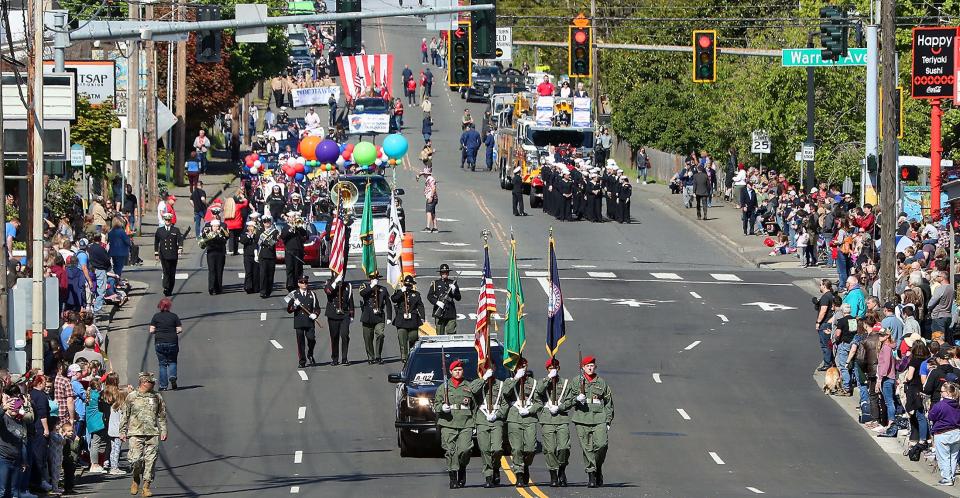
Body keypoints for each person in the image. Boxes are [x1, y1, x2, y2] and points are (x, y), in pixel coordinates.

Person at [433, 360, 491, 489]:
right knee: (450, 451)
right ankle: (453, 478)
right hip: (448, 423)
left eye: (460, 370)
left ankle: (462, 467)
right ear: (450, 372)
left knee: (465, 450)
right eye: (455, 370)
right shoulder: (443, 387)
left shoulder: (468, 386)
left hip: (466, 423)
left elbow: (474, 407)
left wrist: (475, 423)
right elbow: (435, 405)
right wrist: (442, 407)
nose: (458, 372)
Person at [119, 372, 168, 497]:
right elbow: (125, 415)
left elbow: (162, 415)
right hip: (135, 433)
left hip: (152, 433)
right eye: (151, 382)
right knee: (135, 460)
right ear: (143, 382)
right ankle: (136, 479)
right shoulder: (132, 397)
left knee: (150, 461)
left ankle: (146, 486)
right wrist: (122, 431)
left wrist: (164, 430)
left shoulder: (157, 396)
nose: (153, 384)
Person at [573, 355, 614, 488]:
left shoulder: (601, 382)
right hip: (582, 418)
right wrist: (576, 399)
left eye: (592, 366)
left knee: (602, 445)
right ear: (583, 367)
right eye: (587, 366)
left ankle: (598, 467)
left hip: (598, 418)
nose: (590, 368)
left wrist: (608, 420)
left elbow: (608, 402)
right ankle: (591, 474)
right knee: (587, 448)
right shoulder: (576, 381)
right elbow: (568, 399)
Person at [537, 358, 574, 487]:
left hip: (561, 418)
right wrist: (548, 378)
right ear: (547, 370)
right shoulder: (543, 382)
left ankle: (562, 470)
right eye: (550, 368)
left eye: (555, 368)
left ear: (559, 368)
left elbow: (570, 400)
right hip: (547, 419)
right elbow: (538, 391)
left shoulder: (565, 383)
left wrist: (560, 407)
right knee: (550, 449)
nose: (553, 370)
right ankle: (553, 474)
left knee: (564, 447)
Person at [503, 358, 540, 487]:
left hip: (529, 418)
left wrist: (531, 410)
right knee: (517, 448)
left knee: (530, 448)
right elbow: (505, 393)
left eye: (524, 366)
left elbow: (539, 402)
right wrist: (515, 379)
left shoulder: (533, 383)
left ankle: (525, 465)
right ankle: (519, 474)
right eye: (520, 366)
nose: (522, 368)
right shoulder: (509, 381)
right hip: (514, 418)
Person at [473, 362, 506, 488]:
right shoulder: (478, 383)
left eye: (490, 369)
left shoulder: (500, 385)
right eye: (486, 369)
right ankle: (488, 475)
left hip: (496, 420)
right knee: (485, 449)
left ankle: (496, 467)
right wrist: (484, 379)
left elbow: (505, 404)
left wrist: (498, 415)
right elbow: (473, 390)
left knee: (497, 448)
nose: (489, 371)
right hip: (482, 420)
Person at [929, 382, 960, 486]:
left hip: (943, 433)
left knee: (944, 457)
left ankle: (947, 478)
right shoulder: (958, 404)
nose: (940, 393)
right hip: (957, 433)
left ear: (947, 393)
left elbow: (931, 416)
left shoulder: (940, 405)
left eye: (941, 391)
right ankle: (951, 476)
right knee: (953, 457)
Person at [285, 276, 320, 368]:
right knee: (300, 343)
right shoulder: (294, 294)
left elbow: (317, 308)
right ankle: (302, 361)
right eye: (302, 282)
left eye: (306, 283)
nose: (304, 284)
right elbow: (289, 310)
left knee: (311, 339)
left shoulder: (312, 294)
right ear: (298, 284)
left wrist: (315, 314)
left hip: (309, 322)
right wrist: (295, 306)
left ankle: (310, 353)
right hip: (299, 321)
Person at [149, 297, 182, 391]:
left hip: (159, 342)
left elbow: (151, 330)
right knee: (172, 361)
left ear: (160, 306)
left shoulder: (156, 316)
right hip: (172, 341)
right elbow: (179, 329)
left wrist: (158, 332)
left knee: (162, 364)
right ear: (169, 306)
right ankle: (172, 376)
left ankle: (163, 386)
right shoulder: (174, 316)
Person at [359, 271, 392, 365]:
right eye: (374, 278)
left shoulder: (383, 289)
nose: (376, 280)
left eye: (377, 278)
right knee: (368, 338)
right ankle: (371, 356)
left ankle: (378, 356)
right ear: (370, 279)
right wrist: (371, 286)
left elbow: (388, 303)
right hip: (368, 316)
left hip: (379, 316)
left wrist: (389, 317)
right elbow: (363, 294)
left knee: (380, 334)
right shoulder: (364, 286)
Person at [391, 275, 425, 364]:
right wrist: (401, 292)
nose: (408, 287)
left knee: (413, 338)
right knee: (402, 340)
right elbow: (394, 299)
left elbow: (420, 305)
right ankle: (404, 357)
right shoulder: (399, 292)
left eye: (410, 285)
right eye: (407, 285)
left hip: (413, 320)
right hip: (401, 320)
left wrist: (422, 317)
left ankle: (412, 355)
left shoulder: (416, 294)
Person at [324, 275, 354, 366]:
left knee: (345, 335)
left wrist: (352, 315)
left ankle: (344, 358)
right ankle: (335, 358)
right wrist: (335, 282)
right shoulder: (329, 283)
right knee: (334, 337)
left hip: (344, 314)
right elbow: (328, 292)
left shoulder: (348, 285)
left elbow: (350, 301)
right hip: (333, 314)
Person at [428, 264, 461, 335]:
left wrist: (454, 291)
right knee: (440, 334)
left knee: (451, 333)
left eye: (446, 272)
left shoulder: (453, 283)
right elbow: (429, 296)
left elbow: (458, 298)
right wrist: (437, 302)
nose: (444, 274)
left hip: (450, 312)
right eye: (443, 273)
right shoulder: (435, 283)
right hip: (439, 312)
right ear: (440, 273)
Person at [154, 213, 182, 297]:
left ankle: (170, 289)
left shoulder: (175, 230)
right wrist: (156, 253)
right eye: (166, 220)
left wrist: (180, 248)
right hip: (164, 254)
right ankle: (166, 287)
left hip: (173, 254)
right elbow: (156, 242)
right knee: (166, 271)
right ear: (164, 220)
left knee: (172, 273)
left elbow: (180, 240)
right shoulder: (160, 230)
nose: (167, 221)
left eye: (169, 220)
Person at [281, 213, 309, 292]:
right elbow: (283, 236)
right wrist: (290, 230)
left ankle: (298, 284)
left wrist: (300, 228)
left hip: (298, 251)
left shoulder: (298, 228)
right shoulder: (286, 227)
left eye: (294, 217)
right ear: (288, 218)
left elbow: (306, 235)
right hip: (289, 251)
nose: (293, 219)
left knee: (298, 268)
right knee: (290, 268)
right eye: (291, 217)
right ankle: (290, 284)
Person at [201, 218, 228, 295]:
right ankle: (211, 287)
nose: (216, 228)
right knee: (212, 270)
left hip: (220, 253)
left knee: (219, 271)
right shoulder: (208, 234)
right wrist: (205, 234)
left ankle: (218, 288)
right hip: (211, 253)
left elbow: (224, 241)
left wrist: (219, 235)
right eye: (214, 226)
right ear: (211, 227)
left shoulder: (221, 233)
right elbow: (202, 242)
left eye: (217, 226)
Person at [814, 279, 835, 371]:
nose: (820, 286)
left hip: (825, 323)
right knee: (829, 344)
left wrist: (818, 322)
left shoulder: (826, 297)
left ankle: (827, 363)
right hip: (830, 322)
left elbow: (823, 311)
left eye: (820, 285)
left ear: (824, 286)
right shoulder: (832, 295)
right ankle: (830, 361)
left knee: (825, 345)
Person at [257, 217, 280, 298]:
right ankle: (262, 291)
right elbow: (258, 240)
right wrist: (267, 242)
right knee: (263, 274)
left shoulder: (275, 231)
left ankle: (268, 291)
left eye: (268, 221)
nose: (266, 223)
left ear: (271, 222)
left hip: (271, 255)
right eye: (265, 221)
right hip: (263, 255)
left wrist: (265, 242)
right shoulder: (259, 230)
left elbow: (273, 242)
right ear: (263, 222)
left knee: (270, 275)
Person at [239, 221, 261, 294]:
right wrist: (249, 236)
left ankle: (256, 287)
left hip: (256, 255)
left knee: (256, 271)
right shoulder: (244, 234)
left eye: (252, 226)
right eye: (249, 226)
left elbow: (258, 242)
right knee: (248, 271)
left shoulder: (257, 234)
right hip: (247, 255)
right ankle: (248, 287)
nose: (250, 228)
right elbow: (242, 241)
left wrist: (253, 236)